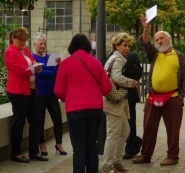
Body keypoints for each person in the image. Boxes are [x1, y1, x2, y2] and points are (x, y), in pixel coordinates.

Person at [132, 15, 185, 166]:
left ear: (169, 40)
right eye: (156, 39)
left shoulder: (179, 56)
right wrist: (146, 28)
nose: (159, 41)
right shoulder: (154, 54)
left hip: (172, 98)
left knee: (173, 129)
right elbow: (144, 43)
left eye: (161, 38)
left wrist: (181, 97)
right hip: (153, 97)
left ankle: (173, 156)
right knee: (148, 128)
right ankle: (146, 155)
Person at [54, 33, 112, 173]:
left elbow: (58, 90)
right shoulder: (96, 62)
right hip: (95, 108)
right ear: (87, 46)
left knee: (79, 147)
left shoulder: (66, 63)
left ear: (72, 47)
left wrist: (67, 98)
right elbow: (107, 88)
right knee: (92, 145)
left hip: (75, 110)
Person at [4, 27, 48, 163]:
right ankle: (16, 153)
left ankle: (34, 151)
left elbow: (32, 62)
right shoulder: (9, 52)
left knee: (36, 120)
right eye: (21, 40)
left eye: (25, 40)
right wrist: (33, 69)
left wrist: (37, 65)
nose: (24, 43)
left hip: (31, 89)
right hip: (18, 91)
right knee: (19, 121)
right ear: (13, 39)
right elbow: (20, 70)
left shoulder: (26, 50)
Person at [100, 33, 138, 172]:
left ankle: (115, 161)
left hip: (115, 101)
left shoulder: (114, 58)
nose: (127, 48)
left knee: (124, 131)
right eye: (124, 45)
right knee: (114, 134)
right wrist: (130, 82)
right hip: (114, 102)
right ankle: (107, 165)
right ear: (117, 46)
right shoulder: (118, 59)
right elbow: (116, 77)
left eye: (128, 45)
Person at [32, 32, 67, 156]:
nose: (43, 46)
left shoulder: (50, 57)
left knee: (57, 118)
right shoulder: (33, 57)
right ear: (35, 44)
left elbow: (55, 72)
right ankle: (42, 144)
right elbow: (38, 73)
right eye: (40, 44)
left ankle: (59, 143)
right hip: (40, 93)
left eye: (44, 44)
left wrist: (56, 67)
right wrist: (49, 71)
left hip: (51, 93)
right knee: (40, 120)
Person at [122, 52, 142, 159]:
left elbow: (138, 73)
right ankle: (134, 142)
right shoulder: (112, 56)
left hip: (130, 94)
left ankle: (130, 147)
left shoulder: (131, 56)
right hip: (118, 96)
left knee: (130, 122)